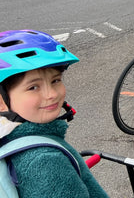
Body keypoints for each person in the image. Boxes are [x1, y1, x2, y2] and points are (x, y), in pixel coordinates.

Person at [0, 30, 108, 197]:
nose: (51, 94)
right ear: (1, 101)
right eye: (33, 87)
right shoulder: (45, 161)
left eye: (55, 80)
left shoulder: (7, 136)